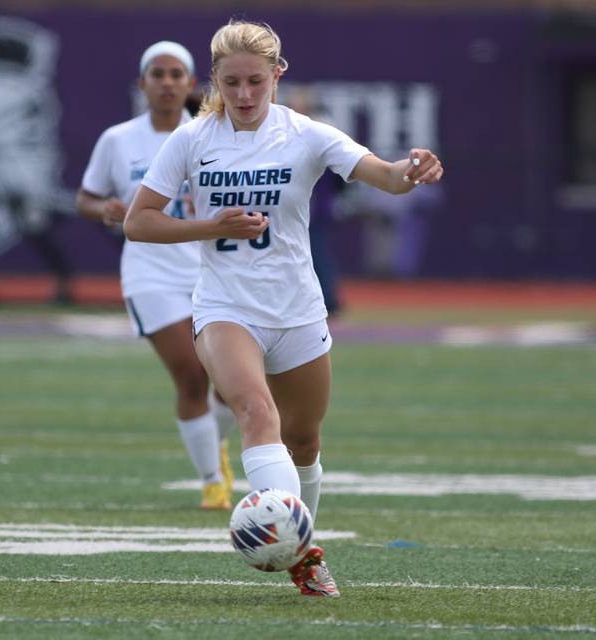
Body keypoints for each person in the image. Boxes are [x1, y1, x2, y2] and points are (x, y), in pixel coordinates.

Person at [124, 21, 443, 597]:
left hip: (297, 310)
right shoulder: (192, 139)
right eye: (231, 83)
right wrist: (210, 226)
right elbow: (138, 221)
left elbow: (387, 177)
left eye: (255, 81)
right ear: (214, 79)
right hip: (225, 307)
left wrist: (412, 169)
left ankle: (297, 539)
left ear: (278, 74)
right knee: (254, 411)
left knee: (304, 443)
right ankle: (304, 558)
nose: (244, 94)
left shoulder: (306, 133)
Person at [76, 41, 236, 511]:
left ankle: (214, 446)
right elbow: (85, 197)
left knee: (231, 382)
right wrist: (103, 209)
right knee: (191, 375)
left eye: (176, 74)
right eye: (158, 74)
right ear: (142, 83)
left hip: (210, 270)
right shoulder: (118, 139)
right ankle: (212, 481)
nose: (167, 83)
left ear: (191, 83)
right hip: (150, 273)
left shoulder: (213, 134)